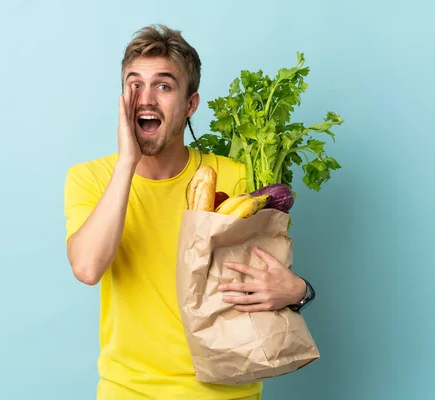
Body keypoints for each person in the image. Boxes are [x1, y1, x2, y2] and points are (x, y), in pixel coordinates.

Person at [63, 24, 315, 400]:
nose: (145, 99)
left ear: (190, 104)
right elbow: (87, 268)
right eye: (135, 85)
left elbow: (265, 279)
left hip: (229, 392)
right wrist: (126, 164)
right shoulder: (91, 178)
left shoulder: (237, 175)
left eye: (163, 86)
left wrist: (300, 291)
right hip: (129, 392)